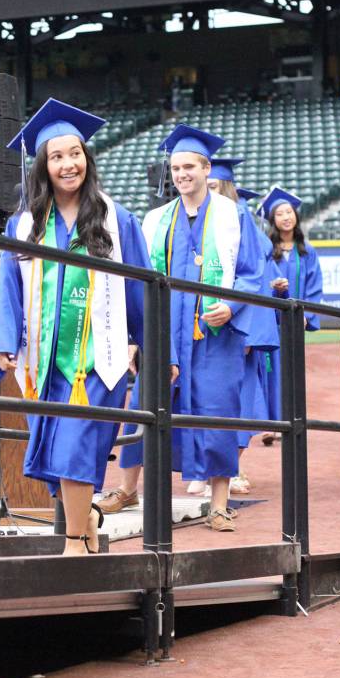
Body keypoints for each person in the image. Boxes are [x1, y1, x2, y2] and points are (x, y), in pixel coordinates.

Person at [0, 99, 163, 555]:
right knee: (56, 453)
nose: (69, 164)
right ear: (43, 166)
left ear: (88, 157)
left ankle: (72, 547)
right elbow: (9, 286)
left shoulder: (115, 219)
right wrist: (4, 340)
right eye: (57, 156)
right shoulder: (24, 224)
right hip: (44, 360)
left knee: (75, 447)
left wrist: (154, 350)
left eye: (75, 153)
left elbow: (141, 288)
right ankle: (89, 527)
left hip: (98, 360)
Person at [101, 124, 263, 532]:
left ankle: (220, 502)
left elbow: (250, 273)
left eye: (189, 166)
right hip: (164, 333)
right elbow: (138, 281)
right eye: (175, 168)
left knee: (218, 412)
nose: (181, 174)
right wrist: (136, 338)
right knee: (145, 406)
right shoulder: (155, 219)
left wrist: (230, 305)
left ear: (207, 169)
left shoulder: (233, 215)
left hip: (213, 337)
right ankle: (127, 488)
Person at [204, 160, 280, 494]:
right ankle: (213, 472)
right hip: (210, 325)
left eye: (214, 184)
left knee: (241, 402)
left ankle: (229, 469)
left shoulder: (240, 220)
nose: (208, 189)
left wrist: (250, 330)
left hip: (241, 328)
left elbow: (255, 281)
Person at [261, 187, 323, 445]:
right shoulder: (266, 249)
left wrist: (306, 313)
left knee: (291, 371)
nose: (286, 217)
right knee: (269, 371)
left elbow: (314, 286)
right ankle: (270, 424)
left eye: (289, 212)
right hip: (271, 320)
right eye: (280, 214)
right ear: (272, 220)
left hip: (295, 321)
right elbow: (259, 280)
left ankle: (292, 420)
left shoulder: (306, 250)